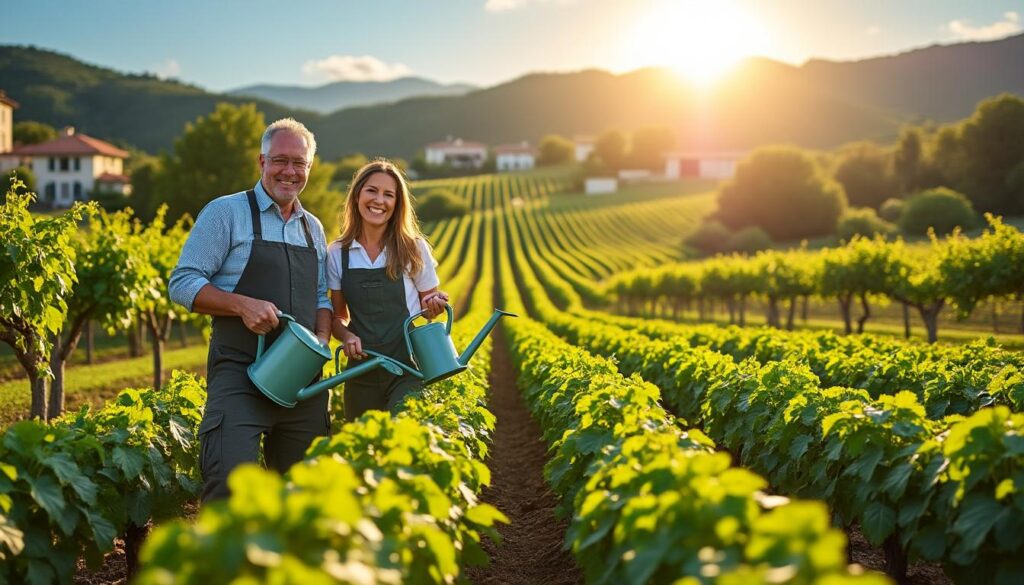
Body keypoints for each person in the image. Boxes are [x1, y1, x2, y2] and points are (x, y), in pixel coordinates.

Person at [168, 118, 333, 503]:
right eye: (280, 161)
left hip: (301, 387)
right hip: (240, 375)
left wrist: (321, 343)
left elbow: (322, 298)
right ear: (262, 161)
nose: (289, 172)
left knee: (304, 499)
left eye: (299, 163)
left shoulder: (314, 228)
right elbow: (182, 282)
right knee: (229, 486)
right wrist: (241, 305)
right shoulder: (226, 212)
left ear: (309, 168)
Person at [327, 159, 448, 420]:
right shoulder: (338, 253)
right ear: (357, 194)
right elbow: (338, 317)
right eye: (372, 190)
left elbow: (429, 309)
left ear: (397, 204)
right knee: (361, 448)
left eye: (388, 194)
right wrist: (347, 337)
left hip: (408, 369)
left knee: (402, 435)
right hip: (361, 370)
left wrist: (435, 304)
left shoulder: (413, 248)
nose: (379, 200)